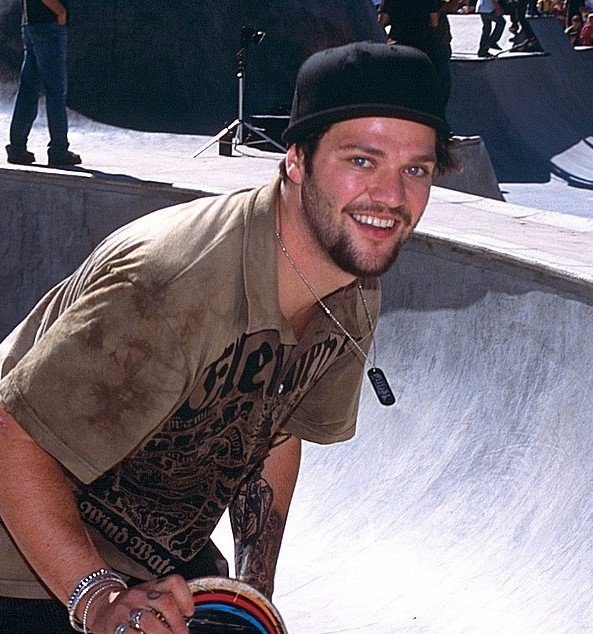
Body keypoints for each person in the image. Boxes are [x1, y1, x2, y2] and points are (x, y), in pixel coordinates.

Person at [0, 41, 455, 634]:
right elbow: (12, 437)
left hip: (157, 563)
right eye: (362, 161)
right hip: (25, 559)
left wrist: (253, 594)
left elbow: (275, 430)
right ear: (295, 159)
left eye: (414, 169)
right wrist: (100, 602)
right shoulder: (174, 281)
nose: (391, 198)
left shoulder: (352, 285)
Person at [5, 0, 81, 167]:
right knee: (55, 91)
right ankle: (59, 150)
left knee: (28, 90)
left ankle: (17, 148)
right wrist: (60, 12)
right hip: (48, 24)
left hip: (31, 24)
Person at [378, 0, 462, 108]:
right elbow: (434, 22)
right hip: (430, 47)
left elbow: (381, 22)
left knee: (402, 91)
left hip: (398, 46)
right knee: (438, 89)